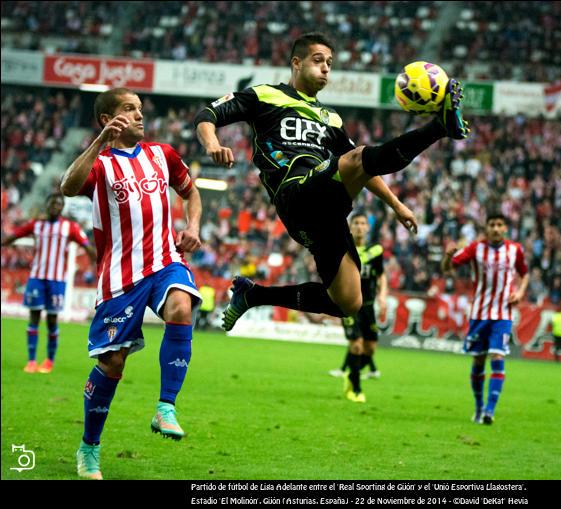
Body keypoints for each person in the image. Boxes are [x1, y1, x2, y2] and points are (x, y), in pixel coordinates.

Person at [193, 32, 468, 333]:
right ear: (296, 63)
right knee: (356, 157)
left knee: (348, 302)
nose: (326, 68)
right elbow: (208, 114)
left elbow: (362, 167)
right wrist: (212, 145)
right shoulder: (264, 95)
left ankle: (253, 294)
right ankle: (439, 127)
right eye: (318, 60)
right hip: (295, 191)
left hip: (326, 212)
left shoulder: (331, 118)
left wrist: (396, 204)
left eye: (330, 63)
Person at [60, 87, 203, 480]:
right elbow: (68, 186)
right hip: (120, 277)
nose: (140, 115)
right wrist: (98, 143)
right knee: (113, 364)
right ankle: (89, 447)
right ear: (107, 119)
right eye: (129, 109)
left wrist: (192, 226)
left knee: (181, 305)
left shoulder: (163, 155)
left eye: (140, 108)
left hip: (164, 261)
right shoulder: (101, 164)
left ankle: (165, 407)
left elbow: (192, 194)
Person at [441, 212, 529, 425]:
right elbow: (448, 269)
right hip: (479, 314)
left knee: (497, 358)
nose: (496, 228)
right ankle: (479, 407)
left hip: (503, 315)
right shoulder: (475, 248)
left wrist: (520, 292)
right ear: (487, 228)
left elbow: (524, 273)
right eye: (492, 224)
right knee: (479, 360)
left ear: (505, 228)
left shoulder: (514, 250)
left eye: (500, 225)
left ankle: (490, 410)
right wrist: (447, 255)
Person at [1, 192, 97, 373]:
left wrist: (96, 260)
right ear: (46, 205)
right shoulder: (36, 225)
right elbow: (12, 236)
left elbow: (86, 246)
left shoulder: (70, 227)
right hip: (37, 277)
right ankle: (31, 361)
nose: (55, 206)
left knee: (52, 321)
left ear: (62, 207)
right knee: (34, 318)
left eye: (59, 203)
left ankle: (49, 361)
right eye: (52, 203)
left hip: (57, 281)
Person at [328, 212, 387, 403]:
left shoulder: (376, 251)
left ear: (367, 228)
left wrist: (383, 295)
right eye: (356, 223)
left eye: (363, 223)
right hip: (349, 305)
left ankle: (351, 373)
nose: (360, 227)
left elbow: (381, 276)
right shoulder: (343, 250)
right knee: (356, 345)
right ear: (351, 227)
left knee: (369, 349)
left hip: (368, 306)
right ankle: (356, 388)